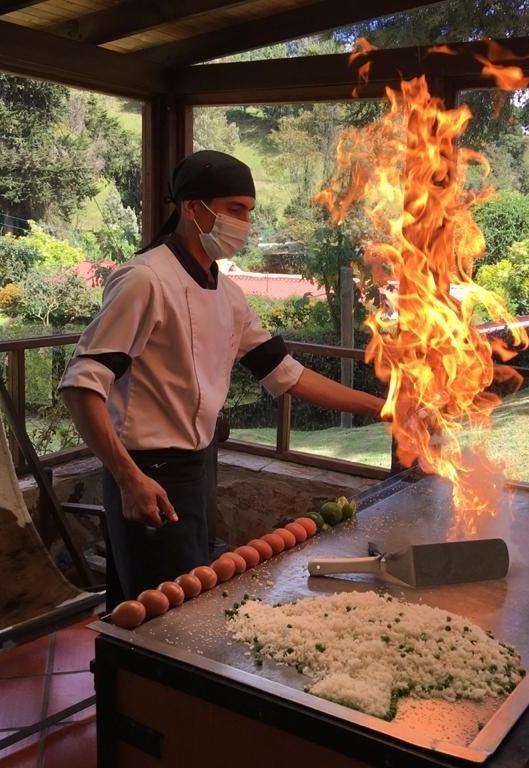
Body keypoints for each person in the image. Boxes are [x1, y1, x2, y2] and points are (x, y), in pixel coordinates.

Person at [59, 150, 384, 608]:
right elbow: (81, 385)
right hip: (147, 469)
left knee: (177, 593)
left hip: (198, 466)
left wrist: (380, 408)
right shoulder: (145, 280)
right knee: (160, 612)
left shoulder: (228, 294)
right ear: (192, 208)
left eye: (249, 212)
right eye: (234, 209)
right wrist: (128, 478)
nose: (244, 223)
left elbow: (286, 374)